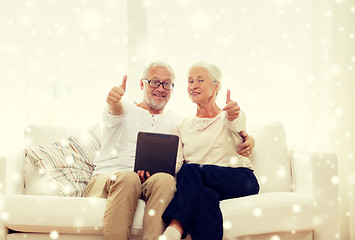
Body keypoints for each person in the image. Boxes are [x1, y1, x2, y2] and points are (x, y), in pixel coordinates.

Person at [84, 61, 255, 240]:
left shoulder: (177, 121)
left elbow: (233, 123)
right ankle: (175, 227)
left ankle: (171, 232)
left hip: (154, 181)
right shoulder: (125, 108)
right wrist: (113, 101)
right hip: (112, 177)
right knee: (131, 178)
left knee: (166, 180)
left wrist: (249, 139)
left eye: (167, 84)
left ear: (172, 89)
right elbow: (115, 111)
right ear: (142, 84)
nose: (161, 88)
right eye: (154, 82)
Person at [161, 61, 260, 240]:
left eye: (200, 80)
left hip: (240, 179)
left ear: (216, 86)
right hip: (203, 185)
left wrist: (232, 114)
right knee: (205, 196)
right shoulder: (181, 126)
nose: (193, 86)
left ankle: (176, 226)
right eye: (190, 81)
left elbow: (236, 122)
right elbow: (175, 164)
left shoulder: (228, 116)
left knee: (190, 169)